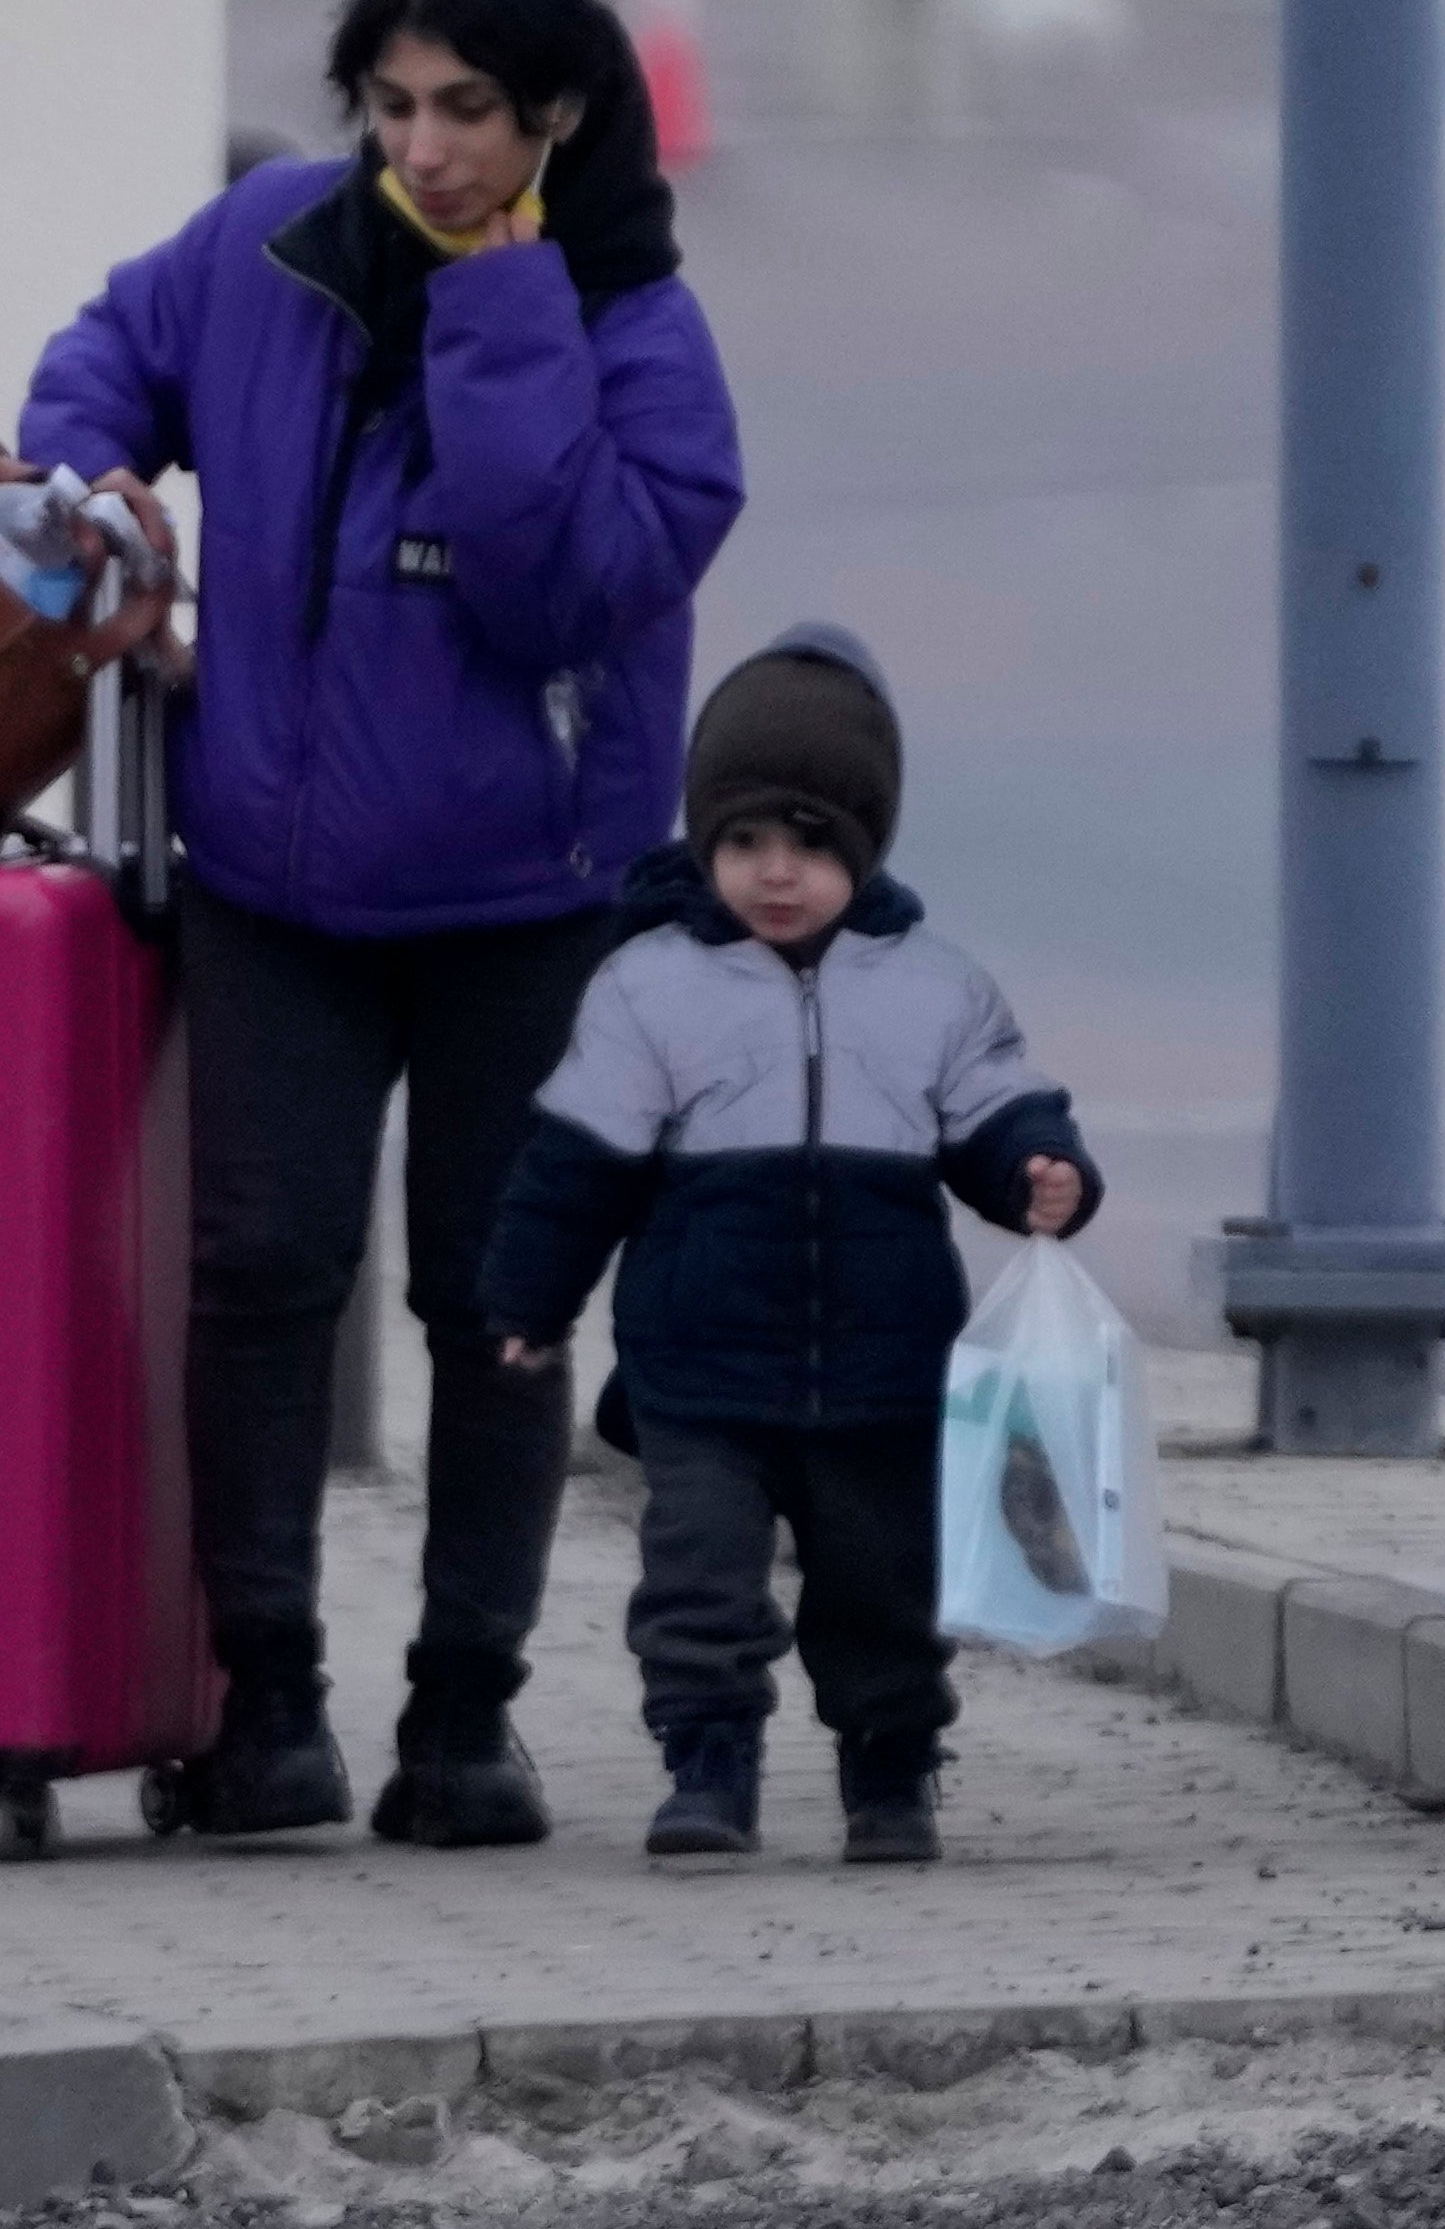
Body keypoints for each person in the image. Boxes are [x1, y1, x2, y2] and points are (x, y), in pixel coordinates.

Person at [7, 0, 744, 1855]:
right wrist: (105, 508)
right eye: (395, 105)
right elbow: (104, 351)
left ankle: (467, 1715)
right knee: (259, 1275)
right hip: (277, 876)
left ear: (561, 116)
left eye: (470, 112)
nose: (424, 148)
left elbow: (550, 581)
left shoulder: (644, 337)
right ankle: (268, 1706)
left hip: (530, 898)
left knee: (493, 1305)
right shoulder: (265, 244)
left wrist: (506, 320)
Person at [470, 624, 1101, 1871]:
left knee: (883, 1589)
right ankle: (707, 1764)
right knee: (698, 1581)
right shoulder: (647, 989)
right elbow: (574, 1165)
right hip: (697, 1368)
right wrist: (527, 1301)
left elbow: (996, 1105)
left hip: (883, 1367)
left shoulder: (933, 989)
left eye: (812, 845)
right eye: (746, 841)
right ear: (703, 840)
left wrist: (1041, 1172)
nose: (775, 873)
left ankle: (890, 1768)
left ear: (862, 850)